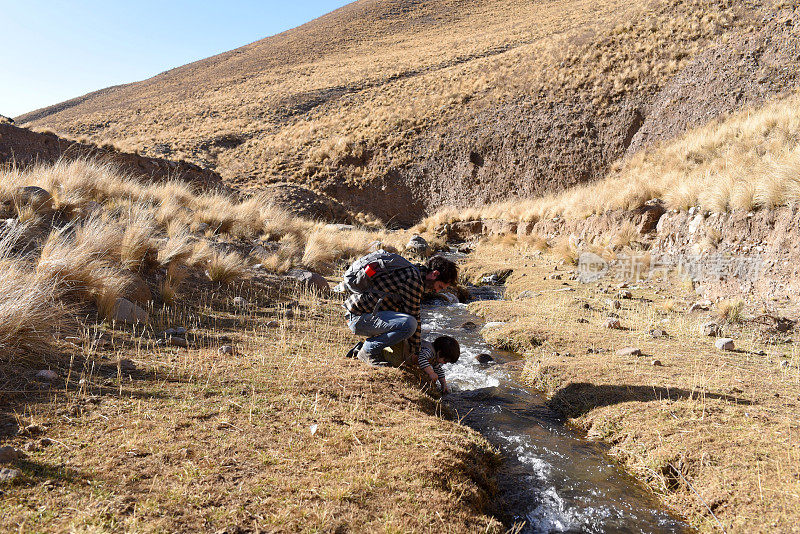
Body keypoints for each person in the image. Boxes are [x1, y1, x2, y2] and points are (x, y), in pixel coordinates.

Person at [344, 253, 458, 367]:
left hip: (362, 315)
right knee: (409, 324)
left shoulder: (415, 271)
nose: (437, 291)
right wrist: (416, 352)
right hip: (358, 319)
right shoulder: (414, 280)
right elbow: (414, 317)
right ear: (435, 274)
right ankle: (367, 351)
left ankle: (363, 348)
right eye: (440, 286)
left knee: (406, 329)